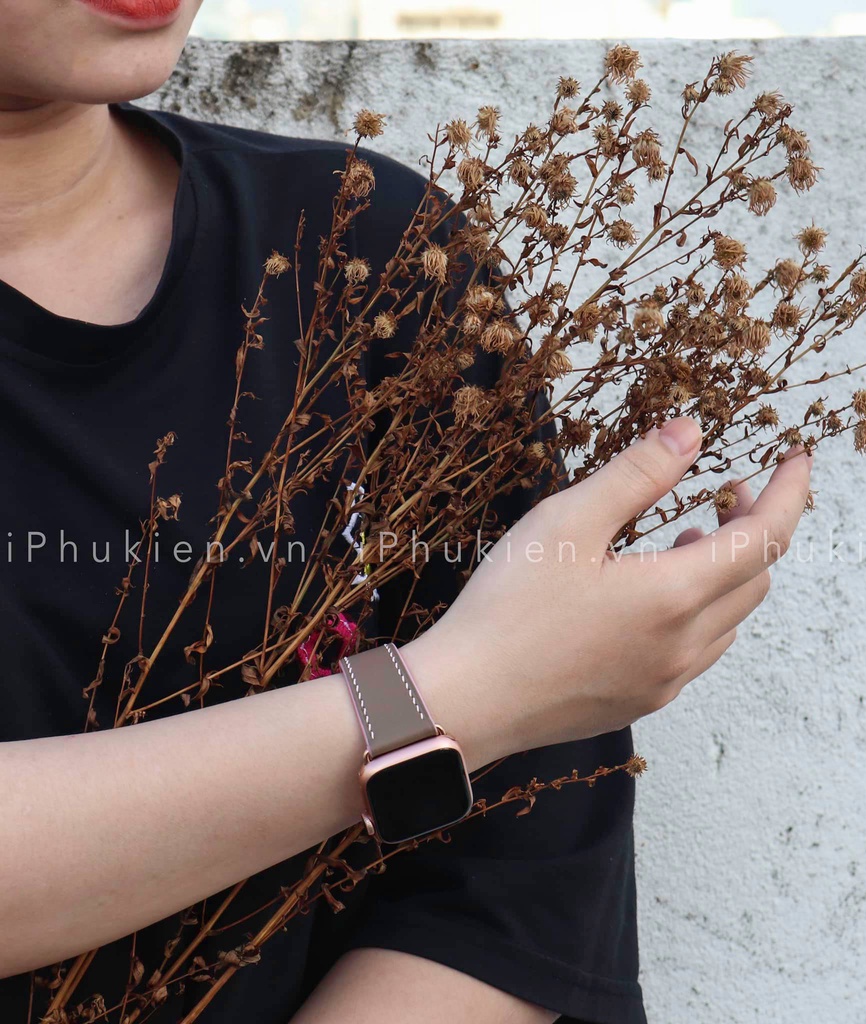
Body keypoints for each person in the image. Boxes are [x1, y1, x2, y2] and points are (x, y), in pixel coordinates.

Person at [0, 1, 812, 1021]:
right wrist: (468, 691)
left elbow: (508, 889)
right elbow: (513, 691)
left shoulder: (364, 249)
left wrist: (495, 691)